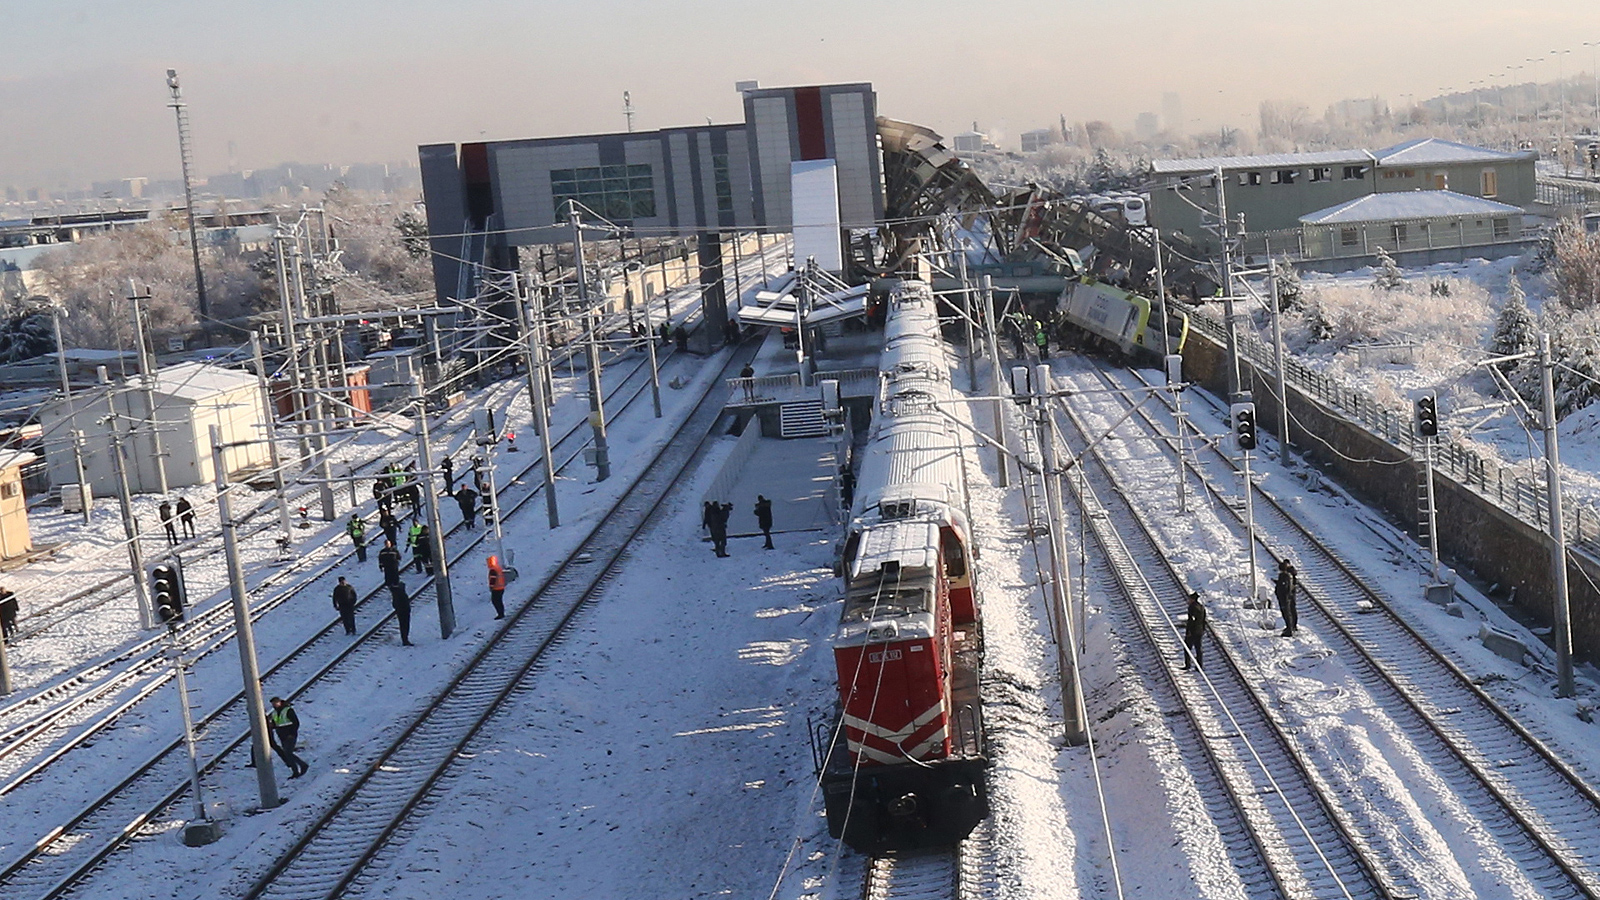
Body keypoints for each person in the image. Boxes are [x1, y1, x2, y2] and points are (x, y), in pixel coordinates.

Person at [266, 696, 309, 778]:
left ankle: (301, 766)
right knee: (287, 754)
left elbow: (295, 723)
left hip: (290, 735)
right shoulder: (275, 713)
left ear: (280, 702)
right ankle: (297, 770)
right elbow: (277, 724)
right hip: (282, 736)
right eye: (273, 703)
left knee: (288, 753)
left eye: (276, 702)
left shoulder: (288, 710)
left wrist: (292, 734)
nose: (274, 704)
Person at [1182, 591, 1207, 670]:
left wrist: (1189, 631)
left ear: (1192, 599)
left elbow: (1191, 620)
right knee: (1198, 648)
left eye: (1189, 599)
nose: (1188, 600)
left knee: (1187, 648)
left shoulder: (1192, 608)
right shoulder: (1201, 607)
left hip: (1193, 631)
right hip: (1199, 631)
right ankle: (1199, 665)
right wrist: (1203, 629)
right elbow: (1203, 620)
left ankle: (1188, 664)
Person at [1275, 560, 1299, 637]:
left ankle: (1289, 629)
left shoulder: (1284, 576)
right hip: (1289, 596)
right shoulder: (1291, 575)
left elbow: (1284, 588)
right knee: (1291, 611)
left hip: (1285, 598)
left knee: (1287, 612)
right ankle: (1292, 627)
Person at [389, 580, 413, 645]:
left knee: (403, 626)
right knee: (405, 626)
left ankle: (404, 639)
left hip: (400, 612)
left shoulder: (395, 594)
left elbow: (394, 604)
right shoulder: (401, 594)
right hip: (404, 612)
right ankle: (405, 640)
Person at [487, 554, 507, 619]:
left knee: (495, 601)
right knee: (499, 601)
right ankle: (501, 613)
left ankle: (500, 614)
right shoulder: (498, 567)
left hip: (496, 588)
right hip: (501, 587)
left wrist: (491, 587)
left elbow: (493, 579)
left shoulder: (493, 569)